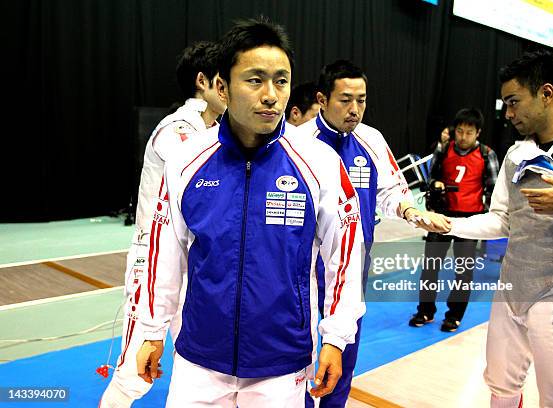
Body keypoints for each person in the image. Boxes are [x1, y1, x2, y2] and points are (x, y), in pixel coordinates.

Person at [134, 18, 367, 407]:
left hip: (280, 362)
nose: (271, 95)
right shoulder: (186, 161)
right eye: (255, 80)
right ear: (222, 88)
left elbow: (344, 254)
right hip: (199, 360)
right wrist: (152, 328)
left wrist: (337, 337)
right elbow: (165, 253)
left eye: (281, 81)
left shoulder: (319, 163)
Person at [438, 51, 553, 407]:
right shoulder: (518, 153)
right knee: (500, 385)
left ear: (546, 93)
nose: (509, 114)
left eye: (514, 102)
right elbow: (502, 219)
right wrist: (450, 223)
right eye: (506, 105)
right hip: (512, 285)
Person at [298, 59, 450, 408]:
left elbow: (392, 191)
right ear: (322, 99)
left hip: (352, 265)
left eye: (362, 100)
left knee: (344, 349)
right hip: (301, 267)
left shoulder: (372, 141)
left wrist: (412, 211)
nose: (355, 110)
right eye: (345, 100)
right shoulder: (297, 142)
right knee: (302, 353)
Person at [99, 40, 226, 408]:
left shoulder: (215, 130)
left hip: (196, 264)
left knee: (203, 367)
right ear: (204, 82)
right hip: (155, 262)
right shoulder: (177, 129)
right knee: (135, 371)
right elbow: (204, 189)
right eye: (224, 79)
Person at [409, 108, 499, 332]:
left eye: (469, 132)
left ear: (478, 132)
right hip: (441, 216)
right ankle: (425, 310)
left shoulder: (487, 154)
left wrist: (484, 221)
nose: (463, 137)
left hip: (470, 220)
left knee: (464, 270)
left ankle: (454, 315)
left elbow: (493, 190)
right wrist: (436, 185)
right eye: (459, 131)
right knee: (430, 267)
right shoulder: (444, 148)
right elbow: (432, 177)